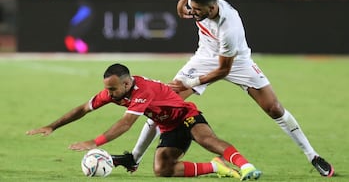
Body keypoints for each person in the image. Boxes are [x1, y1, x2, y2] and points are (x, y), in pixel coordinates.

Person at [116, 0, 335, 178]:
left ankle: (312, 155)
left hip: (236, 62)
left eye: (197, 10)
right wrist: (182, 2)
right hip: (204, 57)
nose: (193, 13)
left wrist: (189, 83)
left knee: (274, 108)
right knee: (164, 102)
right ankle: (134, 158)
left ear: (212, 8)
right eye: (192, 8)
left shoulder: (229, 27)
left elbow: (223, 69)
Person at [26, 63, 262, 180]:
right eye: (106, 88)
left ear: (127, 84)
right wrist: (52, 126)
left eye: (112, 88)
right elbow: (82, 109)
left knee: (206, 138)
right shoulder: (113, 92)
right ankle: (215, 167)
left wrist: (95, 141)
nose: (108, 92)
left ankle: (246, 166)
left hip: (185, 115)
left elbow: (126, 123)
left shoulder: (142, 91)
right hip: (167, 126)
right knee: (162, 169)